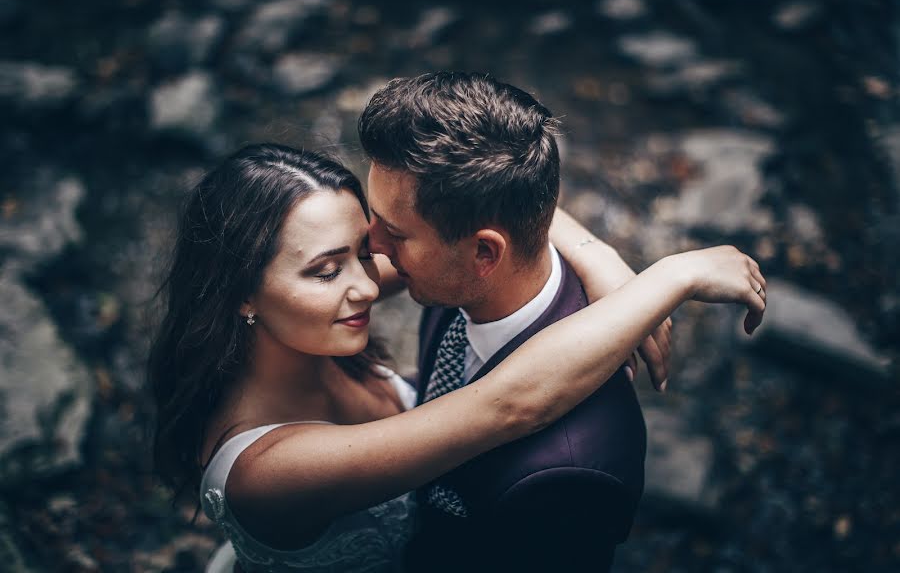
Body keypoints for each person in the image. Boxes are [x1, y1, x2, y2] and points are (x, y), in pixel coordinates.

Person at [148, 143, 765, 573]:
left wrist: (597, 253)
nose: (368, 284)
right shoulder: (268, 474)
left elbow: (478, 217)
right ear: (240, 295)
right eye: (324, 270)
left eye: (363, 250)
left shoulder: (307, 320)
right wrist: (672, 277)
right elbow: (510, 404)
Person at [356, 71, 763, 572]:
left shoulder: (572, 471)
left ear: (484, 252)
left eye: (393, 232)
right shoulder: (456, 274)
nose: (371, 245)